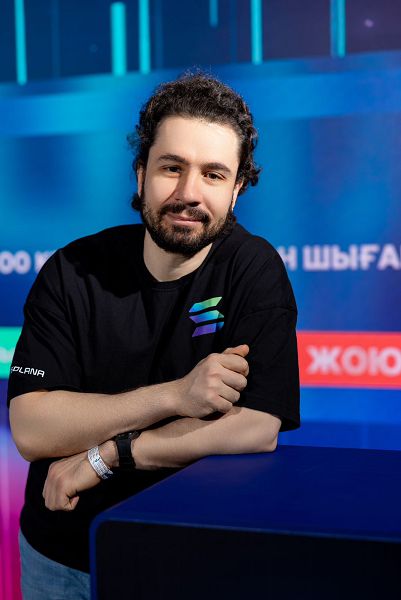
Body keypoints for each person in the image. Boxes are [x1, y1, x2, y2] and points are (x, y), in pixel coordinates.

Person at [8, 72, 300, 599]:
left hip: (188, 557)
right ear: (141, 173)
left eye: (213, 175)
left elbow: (256, 426)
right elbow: (31, 428)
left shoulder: (254, 270)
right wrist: (175, 395)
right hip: (61, 557)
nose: (189, 194)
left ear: (236, 190)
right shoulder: (73, 270)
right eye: (171, 167)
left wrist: (109, 456)